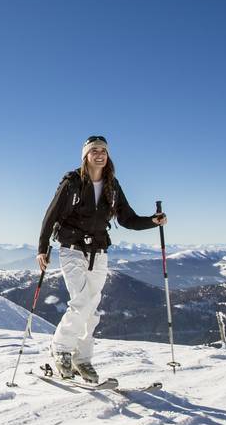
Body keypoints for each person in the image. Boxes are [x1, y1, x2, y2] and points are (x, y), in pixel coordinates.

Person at [36, 135, 167, 383]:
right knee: (82, 301)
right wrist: (42, 248)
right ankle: (60, 348)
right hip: (72, 248)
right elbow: (50, 215)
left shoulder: (112, 186)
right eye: (94, 150)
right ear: (85, 156)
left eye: (104, 151)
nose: (100, 154)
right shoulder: (72, 183)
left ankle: (82, 359)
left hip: (99, 251)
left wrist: (152, 221)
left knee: (92, 309)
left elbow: (127, 219)